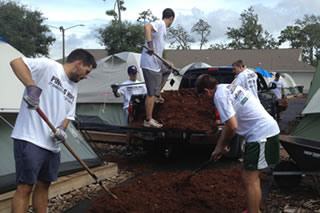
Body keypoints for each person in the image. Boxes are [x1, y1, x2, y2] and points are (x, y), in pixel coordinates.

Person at [10, 49, 96, 213]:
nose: (85, 77)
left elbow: (69, 114)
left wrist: (62, 128)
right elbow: (16, 62)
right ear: (78, 64)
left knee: (44, 186)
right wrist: (31, 87)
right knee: (25, 188)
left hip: (52, 146)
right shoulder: (49, 66)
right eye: (86, 72)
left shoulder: (73, 88)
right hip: (30, 138)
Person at [195, 74, 280, 213]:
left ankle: (254, 211)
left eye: (203, 97)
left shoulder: (219, 96)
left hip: (261, 135)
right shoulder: (227, 88)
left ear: (206, 91)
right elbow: (232, 122)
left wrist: (220, 146)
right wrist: (223, 143)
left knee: (249, 178)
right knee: (252, 176)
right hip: (266, 131)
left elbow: (232, 126)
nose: (205, 101)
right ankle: (254, 208)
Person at [140, 8, 175, 128]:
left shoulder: (163, 28)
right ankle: (148, 120)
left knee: (168, 69)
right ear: (171, 18)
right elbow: (147, 27)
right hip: (150, 64)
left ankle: (157, 95)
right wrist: (150, 45)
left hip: (157, 62)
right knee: (150, 92)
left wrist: (165, 62)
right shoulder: (160, 23)